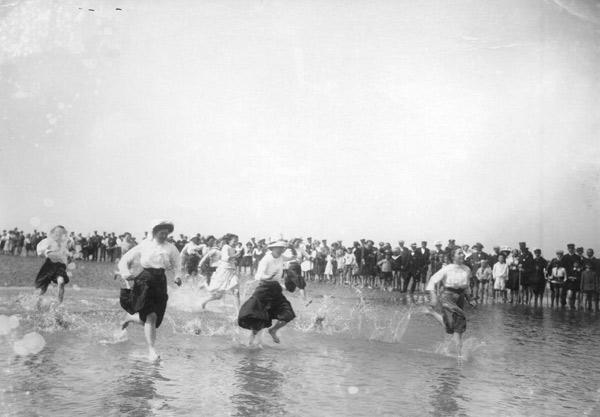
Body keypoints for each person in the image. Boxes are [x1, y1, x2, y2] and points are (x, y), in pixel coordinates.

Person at [117, 220, 181, 361]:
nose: (164, 236)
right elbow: (124, 260)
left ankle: (130, 318)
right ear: (154, 232)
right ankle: (152, 351)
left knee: (155, 320)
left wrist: (177, 276)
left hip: (160, 282)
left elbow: (178, 263)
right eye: (161, 233)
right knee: (150, 316)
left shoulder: (171, 248)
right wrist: (126, 273)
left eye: (166, 233)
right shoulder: (145, 245)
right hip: (144, 280)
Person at [238, 240, 296, 345]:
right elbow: (258, 276)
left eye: (283, 248)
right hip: (263, 290)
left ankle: (273, 330)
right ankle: (250, 345)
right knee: (257, 319)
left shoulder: (281, 257)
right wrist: (268, 277)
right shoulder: (266, 259)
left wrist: (292, 247)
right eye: (279, 247)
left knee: (288, 314)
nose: (281, 249)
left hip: (276, 290)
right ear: (272, 248)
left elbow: (294, 257)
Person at [424, 248, 472, 358]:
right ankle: (460, 356)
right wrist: (433, 297)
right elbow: (432, 280)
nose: (462, 255)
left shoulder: (467, 269)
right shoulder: (447, 269)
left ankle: (432, 312)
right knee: (460, 321)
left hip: (460, 297)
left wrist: (470, 298)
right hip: (448, 297)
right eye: (459, 253)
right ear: (453, 256)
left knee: (450, 327)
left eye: (462, 253)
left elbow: (467, 285)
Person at [200, 234, 242, 311]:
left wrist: (235, 258)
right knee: (217, 294)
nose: (236, 243)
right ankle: (204, 300)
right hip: (223, 272)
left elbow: (230, 260)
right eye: (234, 241)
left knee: (236, 292)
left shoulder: (232, 248)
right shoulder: (226, 247)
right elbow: (226, 258)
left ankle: (239, 314)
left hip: (232, 272)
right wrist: (235, 255)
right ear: (229, 241)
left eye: (237, 241)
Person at [35, 225, 73, 304]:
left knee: (61, 282)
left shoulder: (65, 242)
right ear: (52, 233)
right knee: (42, 288)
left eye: (61, 233)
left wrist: (68, 257)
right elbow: (40, 251)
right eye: (56, 232)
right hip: (48, 266)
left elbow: (67, 253)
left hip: (60, 267)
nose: (58, 234)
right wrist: (47, 252)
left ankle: (59, 304)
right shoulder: (48, 241)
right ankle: (36, 303)